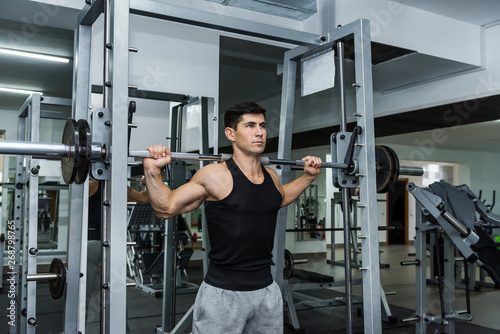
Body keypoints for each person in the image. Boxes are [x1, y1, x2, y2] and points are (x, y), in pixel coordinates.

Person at [142, 101, 322, 334]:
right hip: (223, 294)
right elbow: (166, 207)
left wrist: (308, 177)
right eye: (250, 125)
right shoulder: (215, 175)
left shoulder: (271, 177)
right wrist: (152, 171)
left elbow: (281, 197)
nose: (259, 132)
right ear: (231, 133)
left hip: (267, 291)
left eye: (262, 126)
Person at [86, 180, 148, 331]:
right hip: (113, 244)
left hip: (91, 244)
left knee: (82, 292)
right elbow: (144, 198)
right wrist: (149, 180)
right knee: (116, 293)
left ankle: (75, 328)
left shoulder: (88, 185)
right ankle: (121, 330)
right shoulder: (118, 186)